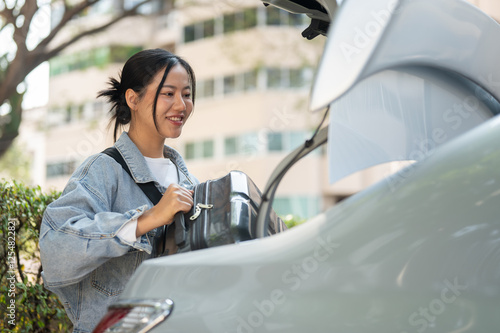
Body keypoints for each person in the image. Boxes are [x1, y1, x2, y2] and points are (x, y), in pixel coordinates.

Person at [39, 48, 198, 332]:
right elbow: (56, 248)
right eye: (168, 93)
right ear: (133, 99)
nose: (181, 105)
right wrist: (145, 220)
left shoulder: (191, 185)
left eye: (186, 94)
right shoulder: (103, 169)